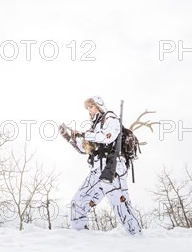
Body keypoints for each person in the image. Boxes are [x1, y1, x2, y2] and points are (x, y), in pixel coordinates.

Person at [59, 95, 142, 235]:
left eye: (91, 106)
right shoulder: (95, 126)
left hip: (113, 170)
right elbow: (86, 149)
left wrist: (85, 134)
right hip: (97, 172)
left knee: (122, 207)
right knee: (78, 203)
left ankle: (137, 238)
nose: (89, 110)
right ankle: (81, 238)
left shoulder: (110, 118)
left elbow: (108, 136)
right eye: (87, 108)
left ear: (99, 105)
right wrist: (69, 137)